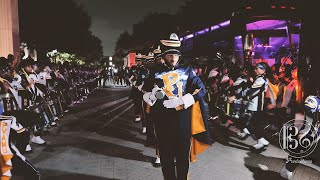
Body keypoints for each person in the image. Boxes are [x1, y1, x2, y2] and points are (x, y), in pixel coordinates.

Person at [143, 33, 211, 180]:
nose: (173, 59)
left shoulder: (188, 70)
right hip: (162, 119)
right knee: (166, 158)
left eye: (176, 55)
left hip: (183, 119)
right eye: (169, 55)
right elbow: (145, 89)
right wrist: (152, 94)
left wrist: (183, 100)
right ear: (164, 56)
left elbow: (201, 89)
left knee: (182, 157)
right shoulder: (155, 72)